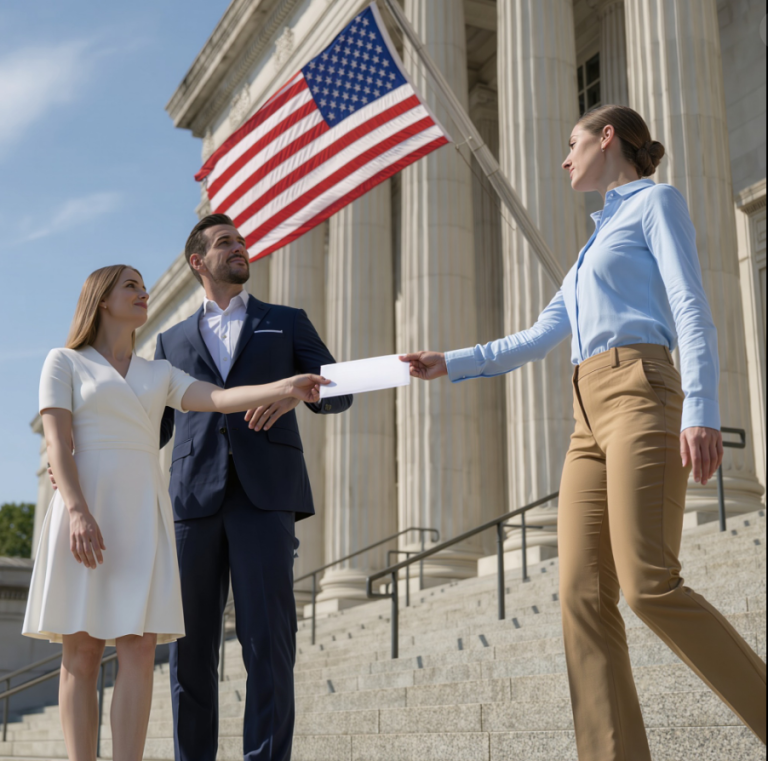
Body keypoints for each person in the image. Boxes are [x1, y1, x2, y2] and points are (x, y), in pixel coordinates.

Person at [400, 104, 767, 760]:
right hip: (584, 418)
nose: (564, 158)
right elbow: (535, 337)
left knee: (649, 583)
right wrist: (446, 362)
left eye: (572, 143)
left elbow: (690, 303)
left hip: (640, 394)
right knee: (580, 597)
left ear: (607, 139)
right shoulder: (589, 247)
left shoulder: (656, 203)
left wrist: (702, 406)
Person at [23, 264, 326, 761]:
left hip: (142, 513)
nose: (144, 295)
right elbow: (58, 444)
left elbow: (221, 398)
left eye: (145, 288)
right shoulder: (64, 362)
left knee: (139, 647)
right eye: (131, 287)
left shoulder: (158, 372)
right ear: (101, 299)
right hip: (85, 510)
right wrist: (76, 509)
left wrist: (284, 387)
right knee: (82, 650)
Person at [154, 214, 352, 761]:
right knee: (189, 651)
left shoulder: (286, 321)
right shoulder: (170, 341)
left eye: (241, 241)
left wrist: (298, 395)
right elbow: (154, 428)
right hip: (192, 502)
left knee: (269, 644)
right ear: (199, 262)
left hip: (266, 499)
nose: (240, 248)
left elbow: (340, 391)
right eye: (225, 243)